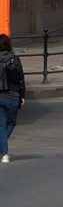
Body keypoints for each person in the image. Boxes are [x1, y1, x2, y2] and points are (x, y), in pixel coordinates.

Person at [0, 34, 26, 164]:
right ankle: (4, 153)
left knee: (1, 125)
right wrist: (22, 96)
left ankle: (3, 152)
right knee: (11, 123)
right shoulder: (15, 59)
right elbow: (21, 79)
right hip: (13, 96)